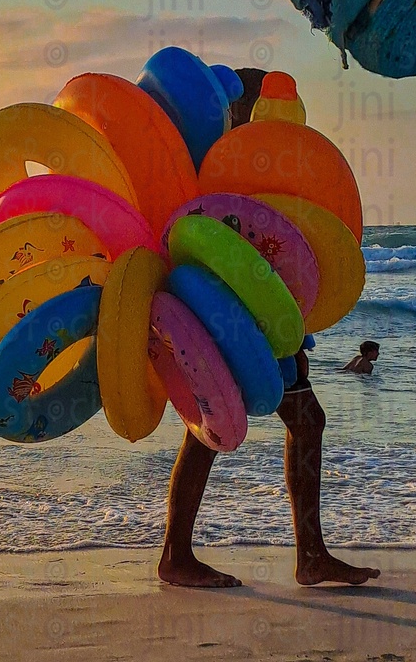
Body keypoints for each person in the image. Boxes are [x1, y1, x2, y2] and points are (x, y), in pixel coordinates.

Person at [158, 67, 381, 588]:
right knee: (229, 429)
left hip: (257, 324)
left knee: (226, 428)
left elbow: (281, 252)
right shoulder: (227, 177)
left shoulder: (234, 175)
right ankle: (297, 556)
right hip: (233, 323)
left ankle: (294, 555)